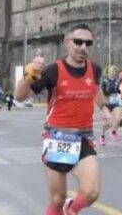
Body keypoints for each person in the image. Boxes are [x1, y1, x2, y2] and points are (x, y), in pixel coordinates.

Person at [14, 24, 110, 215]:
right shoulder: (53, 71)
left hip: (83, 136)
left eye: (87, 43)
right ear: (67, 44)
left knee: (91, 192)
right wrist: (28, 77)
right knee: (57, 198)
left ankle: (71, 209)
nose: (83, 47)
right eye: (78, 42)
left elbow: (95, 90)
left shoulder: (95, 70)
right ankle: (62, 208)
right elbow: (19, 96)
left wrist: (105, 108)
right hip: (57, 136)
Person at [100, 65, 122, 145]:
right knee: (106, 123)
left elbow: (118, 90)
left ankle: (113, 132)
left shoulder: (116, 80)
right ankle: (102, 136)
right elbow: (102, 92)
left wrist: (119, 89)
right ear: (108, 72)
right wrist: (103, 104)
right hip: (107, 102)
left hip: (115, 102)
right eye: (112, 71)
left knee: (118, 119)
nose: (114, 73)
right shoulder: (105, 81)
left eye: (114, 71)